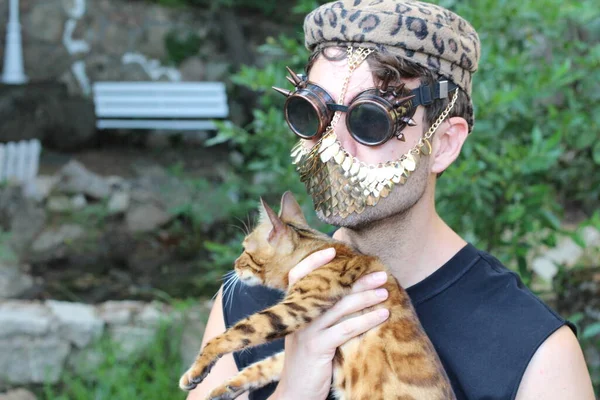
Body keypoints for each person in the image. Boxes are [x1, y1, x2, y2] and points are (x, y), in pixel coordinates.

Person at [188, 1, 595, 399]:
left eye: (370, 119)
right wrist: (293, 389)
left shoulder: (534, 350)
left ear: (444, 143)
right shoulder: (251, 296)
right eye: (312, 112)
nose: (332, 146)